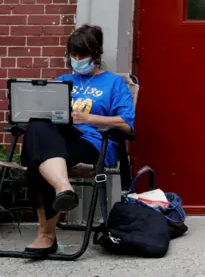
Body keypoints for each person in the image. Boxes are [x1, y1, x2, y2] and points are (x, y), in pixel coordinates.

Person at [20, 24, 136, 258]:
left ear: (96, 55)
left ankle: (46, 236)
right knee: (38, 124)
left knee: (38, 157)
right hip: (61, 138)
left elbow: (127, 124)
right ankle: (64, 188)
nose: (76, 59)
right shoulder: (62, 81)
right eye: (72, 55)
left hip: (92, 142)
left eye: (81, 55)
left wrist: (88, 117)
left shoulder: (114, 83)